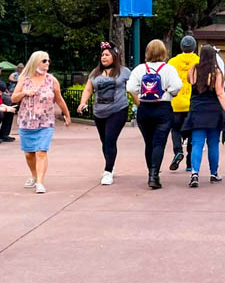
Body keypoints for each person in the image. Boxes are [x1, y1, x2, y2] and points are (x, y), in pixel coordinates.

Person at [127, 40, 183, 190]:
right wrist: (168, 92)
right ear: (164, 53)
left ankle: (150, 172)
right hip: (163, 109)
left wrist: (141, 93)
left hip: (144, 109)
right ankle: (154, 175)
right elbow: (177, 86)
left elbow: (130, 87)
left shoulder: (139, 69)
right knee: (159, 143)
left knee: (149, 143)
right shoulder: (168, 69)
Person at [12, 51, 71, 194]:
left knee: (41, 151)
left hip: (46, 122)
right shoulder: (24, 79)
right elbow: (14, 98)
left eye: (48, 61)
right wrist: (24, 93)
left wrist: (67, 114)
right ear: (35, 62)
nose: (47, 63)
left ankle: (40, 182)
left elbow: (59, 99)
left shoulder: (52, 80)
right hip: (26, 121)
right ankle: (34, 175)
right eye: (44, 61)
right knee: (29, 153)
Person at [77, 42, 131, 186]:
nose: (104, 57)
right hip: (99, 112)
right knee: (105, 141)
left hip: (118, 110)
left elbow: (132, 88)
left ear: (114, 56)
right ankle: (110, 164)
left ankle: (107, 171)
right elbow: (88, 89)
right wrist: (83, 102)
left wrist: (140, 105)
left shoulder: (124, 71)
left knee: (110, 140)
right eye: (102, 55)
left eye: (107, 55)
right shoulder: (95, 73)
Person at [184, 45, 225, 187]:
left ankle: (194, 173)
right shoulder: (216, 72)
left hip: (197, 110)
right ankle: (214, 173)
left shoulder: (193, 69)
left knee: (197, 143)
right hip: (213, 111)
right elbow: (220, 93)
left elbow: (190, 81)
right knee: (213, 143)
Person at [167, 35, 199, 173]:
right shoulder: (198, 61)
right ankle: (189, 162)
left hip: (176, 102)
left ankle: (178, 151)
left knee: (175, 129)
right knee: (193, 132)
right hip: (193, 103)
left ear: (181, 47)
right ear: (194, 47)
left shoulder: (172, 62)